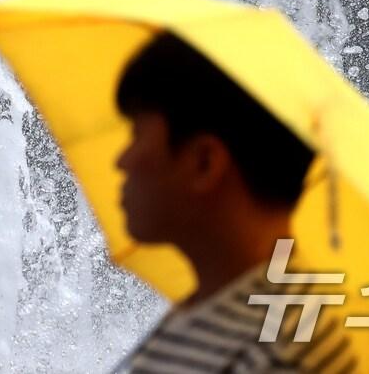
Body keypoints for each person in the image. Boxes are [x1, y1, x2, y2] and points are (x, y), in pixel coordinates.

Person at [111, 32, 356, 373]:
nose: (121, 161)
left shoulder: (283, 346)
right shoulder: (216, 307)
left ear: (205, 164)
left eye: (137, 135)